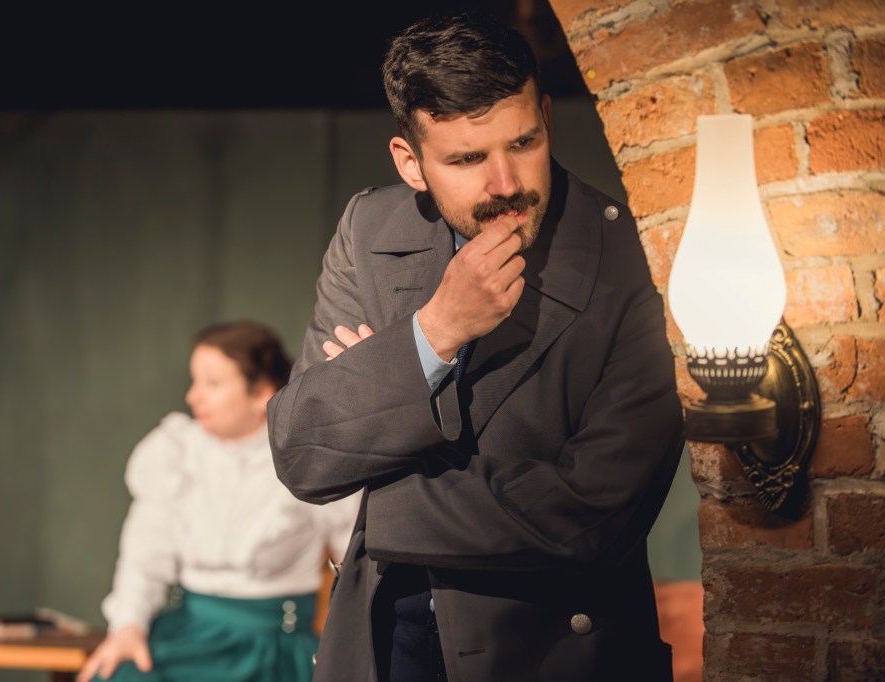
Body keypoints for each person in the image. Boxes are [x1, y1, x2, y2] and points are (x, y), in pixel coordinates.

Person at [269, 12, 684, 682]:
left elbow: (592, 514)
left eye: (522, 143)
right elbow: (304, 452)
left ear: (546, 118)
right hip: (384, 637)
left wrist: (375, 482)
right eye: (466, 159)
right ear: (410, 162)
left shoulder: (631, 254)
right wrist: (435, 330)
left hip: (550, 651)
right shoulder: (369, 228)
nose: (506, 183)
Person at [79, 322, 358, 682]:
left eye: (212, 384)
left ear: (261, 393)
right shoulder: (175, 453)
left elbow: (355, 558)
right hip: (188, 634)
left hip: (273, 647)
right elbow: (145, 558)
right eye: (194, 382)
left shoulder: (307, 458)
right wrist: (128, 627)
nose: (193, 396)